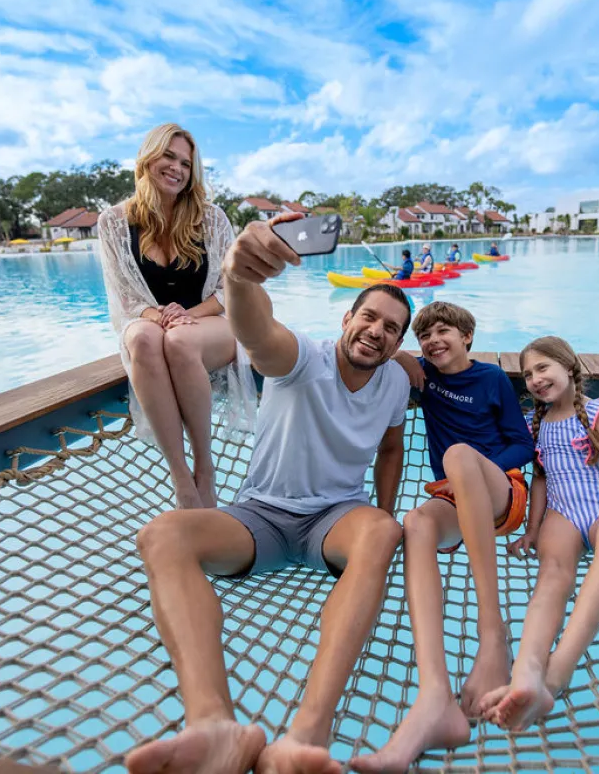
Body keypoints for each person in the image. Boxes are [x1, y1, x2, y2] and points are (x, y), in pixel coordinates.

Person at [125, 216, 415, 774]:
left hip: (335, 518)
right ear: (347, 319)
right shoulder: (301, 360)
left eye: (392, 329)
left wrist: (380, 515)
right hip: (261, 514)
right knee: (161, 534)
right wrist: (236, 276)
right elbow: (257, 333)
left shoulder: (398, 381)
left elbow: (391, 449)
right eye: (370, 317)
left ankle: (306, 735)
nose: (378, 331)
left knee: (384, 531)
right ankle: (214, 725)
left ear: (399, 343)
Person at [351, 302, 534, 774]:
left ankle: (493, 638)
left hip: (500, 491)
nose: (434, 340)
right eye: (425, 335)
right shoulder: (425, 380)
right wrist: (403, 356)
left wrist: (480, 467)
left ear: (467, 337)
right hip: (451, 497)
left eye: (444, 331)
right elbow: (381, 352)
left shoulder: (491, 379)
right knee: (416, 523)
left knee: (457, 452)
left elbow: (522, 443)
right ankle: (435, 696)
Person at [479, 336, 599, 731]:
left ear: (569, 367)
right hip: (562, 513)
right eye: (527, 374)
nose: (535, 379)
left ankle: (555, 675)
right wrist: (532, 531)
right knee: (552, 577)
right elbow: (539, 482)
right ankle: (525, 672)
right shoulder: (531, 424)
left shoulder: (596, 414)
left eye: (542, 368)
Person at [98, 123, 254, 510]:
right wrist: (161, 317)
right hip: (151, 323)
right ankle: (180, 476)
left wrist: (185, 315)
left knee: (180, 339)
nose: (177, 168)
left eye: (186, 162)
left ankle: (205, 466)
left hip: (210, 321)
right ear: (147, 158)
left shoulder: (212, 218)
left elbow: (229, 290)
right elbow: (124, 297)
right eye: (169, 156)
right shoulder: (114, 222)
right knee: (141, 339)